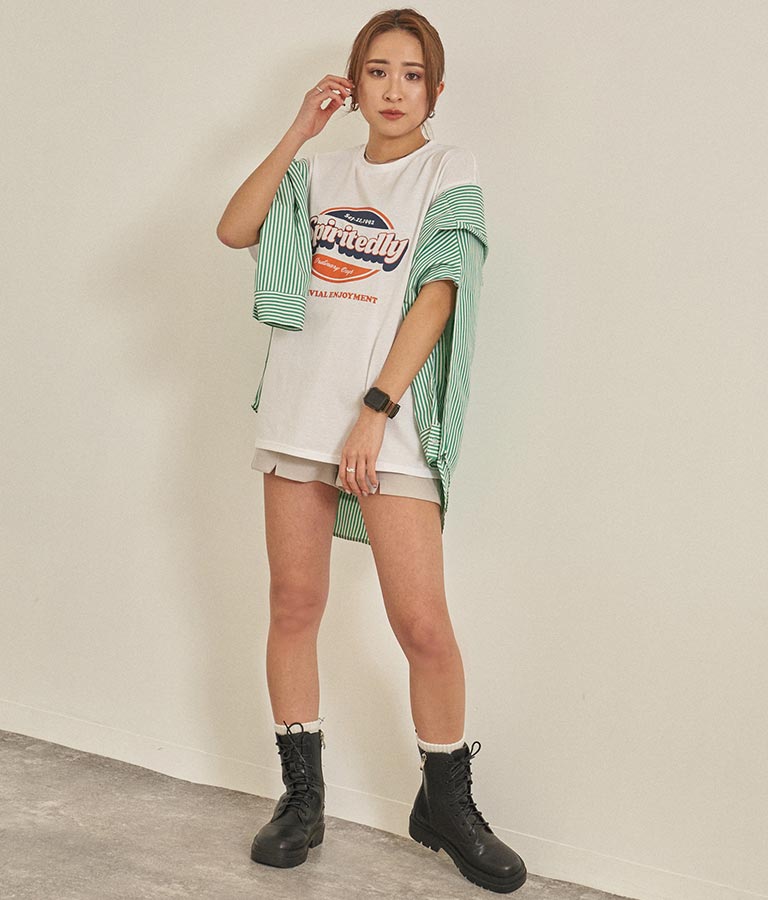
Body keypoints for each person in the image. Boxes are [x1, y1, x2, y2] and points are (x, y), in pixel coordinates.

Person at [217, 7, 526, 894]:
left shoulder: (447, 169)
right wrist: (298, 131)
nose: (395, 89)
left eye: (412, 74)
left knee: (422, 624)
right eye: (378, 71)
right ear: (354, 84)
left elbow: (439, 292)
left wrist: (377, 410)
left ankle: (448, 805)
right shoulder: (318, 172)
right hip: (295, 413)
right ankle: (301, 800)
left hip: (386, 422)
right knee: (294, 605)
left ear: (436, 88)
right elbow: (236, 229)